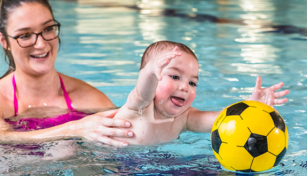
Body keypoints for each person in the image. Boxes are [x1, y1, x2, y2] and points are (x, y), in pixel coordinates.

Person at [0, 0, 134, 147]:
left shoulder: (91, 99)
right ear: (4, 41)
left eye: (48, 29)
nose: (41, 45)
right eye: (25, 35)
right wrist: (74, 129)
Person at [113, 41, 289, 145]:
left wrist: (252, 104)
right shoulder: (139, 107)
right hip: (116, 167)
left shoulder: (184, 117)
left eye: (192, 82)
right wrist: (149, 71)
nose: (185, 87)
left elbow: (223, 119)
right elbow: (143, 92)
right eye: (174, 76)